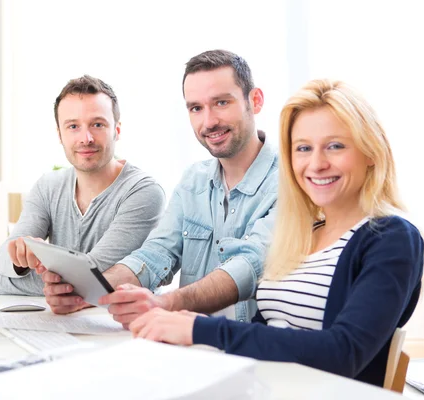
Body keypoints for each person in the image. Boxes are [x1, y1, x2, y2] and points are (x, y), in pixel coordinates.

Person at [129, 79, 424, 387]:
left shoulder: (392, 238)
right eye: (303, 148)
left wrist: (197, 328)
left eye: (335, 146)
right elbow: (266, 330)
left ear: (371, 152)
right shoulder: (301, 235)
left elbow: (343, 353)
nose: (316, 163)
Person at [40, 49, 278, 325]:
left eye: (222, 102)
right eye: (196, 108)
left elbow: (250, 266)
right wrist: (91, 292)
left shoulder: (290, 182)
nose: (209, 121)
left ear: (255, 100)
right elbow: (156, 253)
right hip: (187, 343)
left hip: (250, 350)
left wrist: (165, 303)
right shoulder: (194, 181)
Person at [0, 75, 165, 296]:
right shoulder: (48, 187)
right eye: (73, 126)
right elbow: (2, 260)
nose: (86, 138)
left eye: (97, 124)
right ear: (60, 135)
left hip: (120, 325)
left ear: (117, 130)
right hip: (58, 321)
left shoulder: (143, 192)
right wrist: (19, 258)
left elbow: (90, 279)